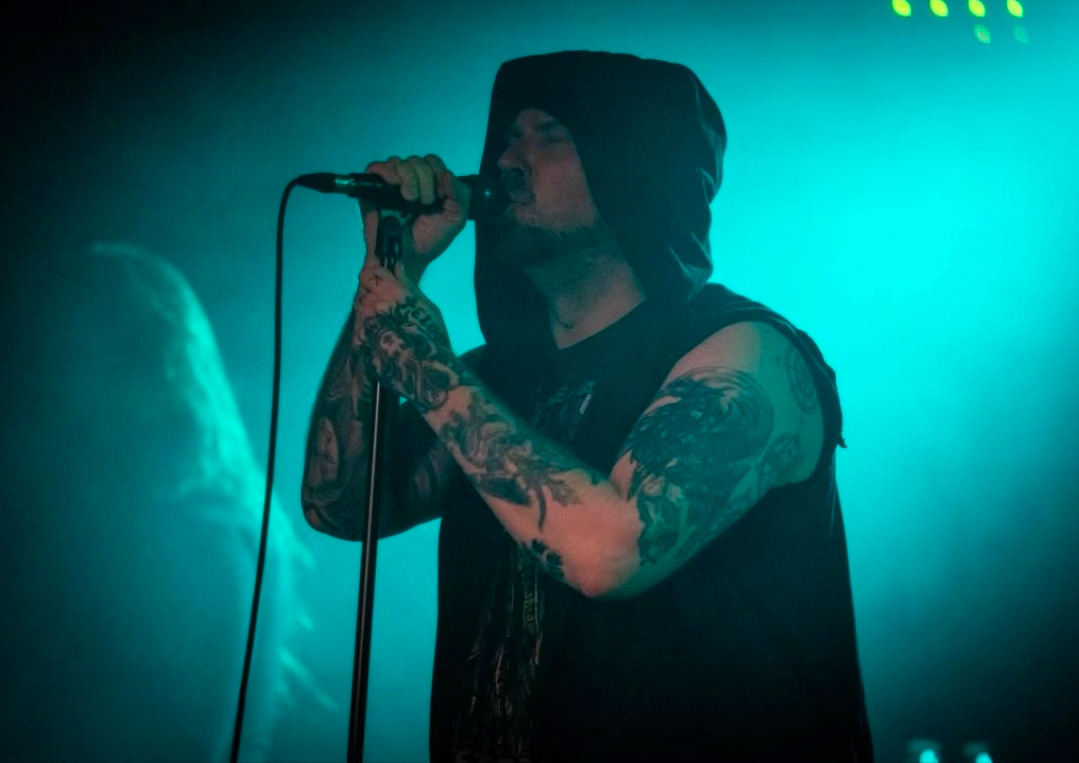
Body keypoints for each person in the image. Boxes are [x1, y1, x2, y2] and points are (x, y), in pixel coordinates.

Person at [302, 51, 873, 762]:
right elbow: (337, 503)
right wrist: (390, 272)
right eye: (508, 136)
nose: (507, 160)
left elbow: (611, 552)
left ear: (634, 167)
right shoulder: (493, 379)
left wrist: (425, 363)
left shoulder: (745, 354)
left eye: (550, 135)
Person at [1, 242, 310, 762]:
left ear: (145, 363)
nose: (48, 375)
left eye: (72, 352)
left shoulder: (205, 531)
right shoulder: (183, 517)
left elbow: (189, 738)